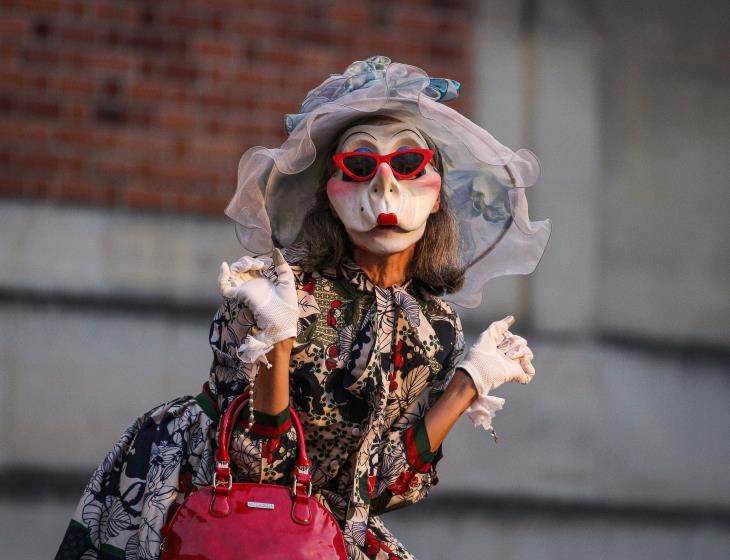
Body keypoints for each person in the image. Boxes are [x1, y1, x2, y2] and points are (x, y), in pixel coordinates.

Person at [56, 56, 551, 560]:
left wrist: (469, 381)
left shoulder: (435, 328)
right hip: (206, 495)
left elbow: (378, 488)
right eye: (358, 167)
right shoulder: (279, 289)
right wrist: (278, 339)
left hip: (317, 515)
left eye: (407, 165)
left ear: (439, 192)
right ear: (328, 196)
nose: (385, 188)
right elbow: (258, 467)